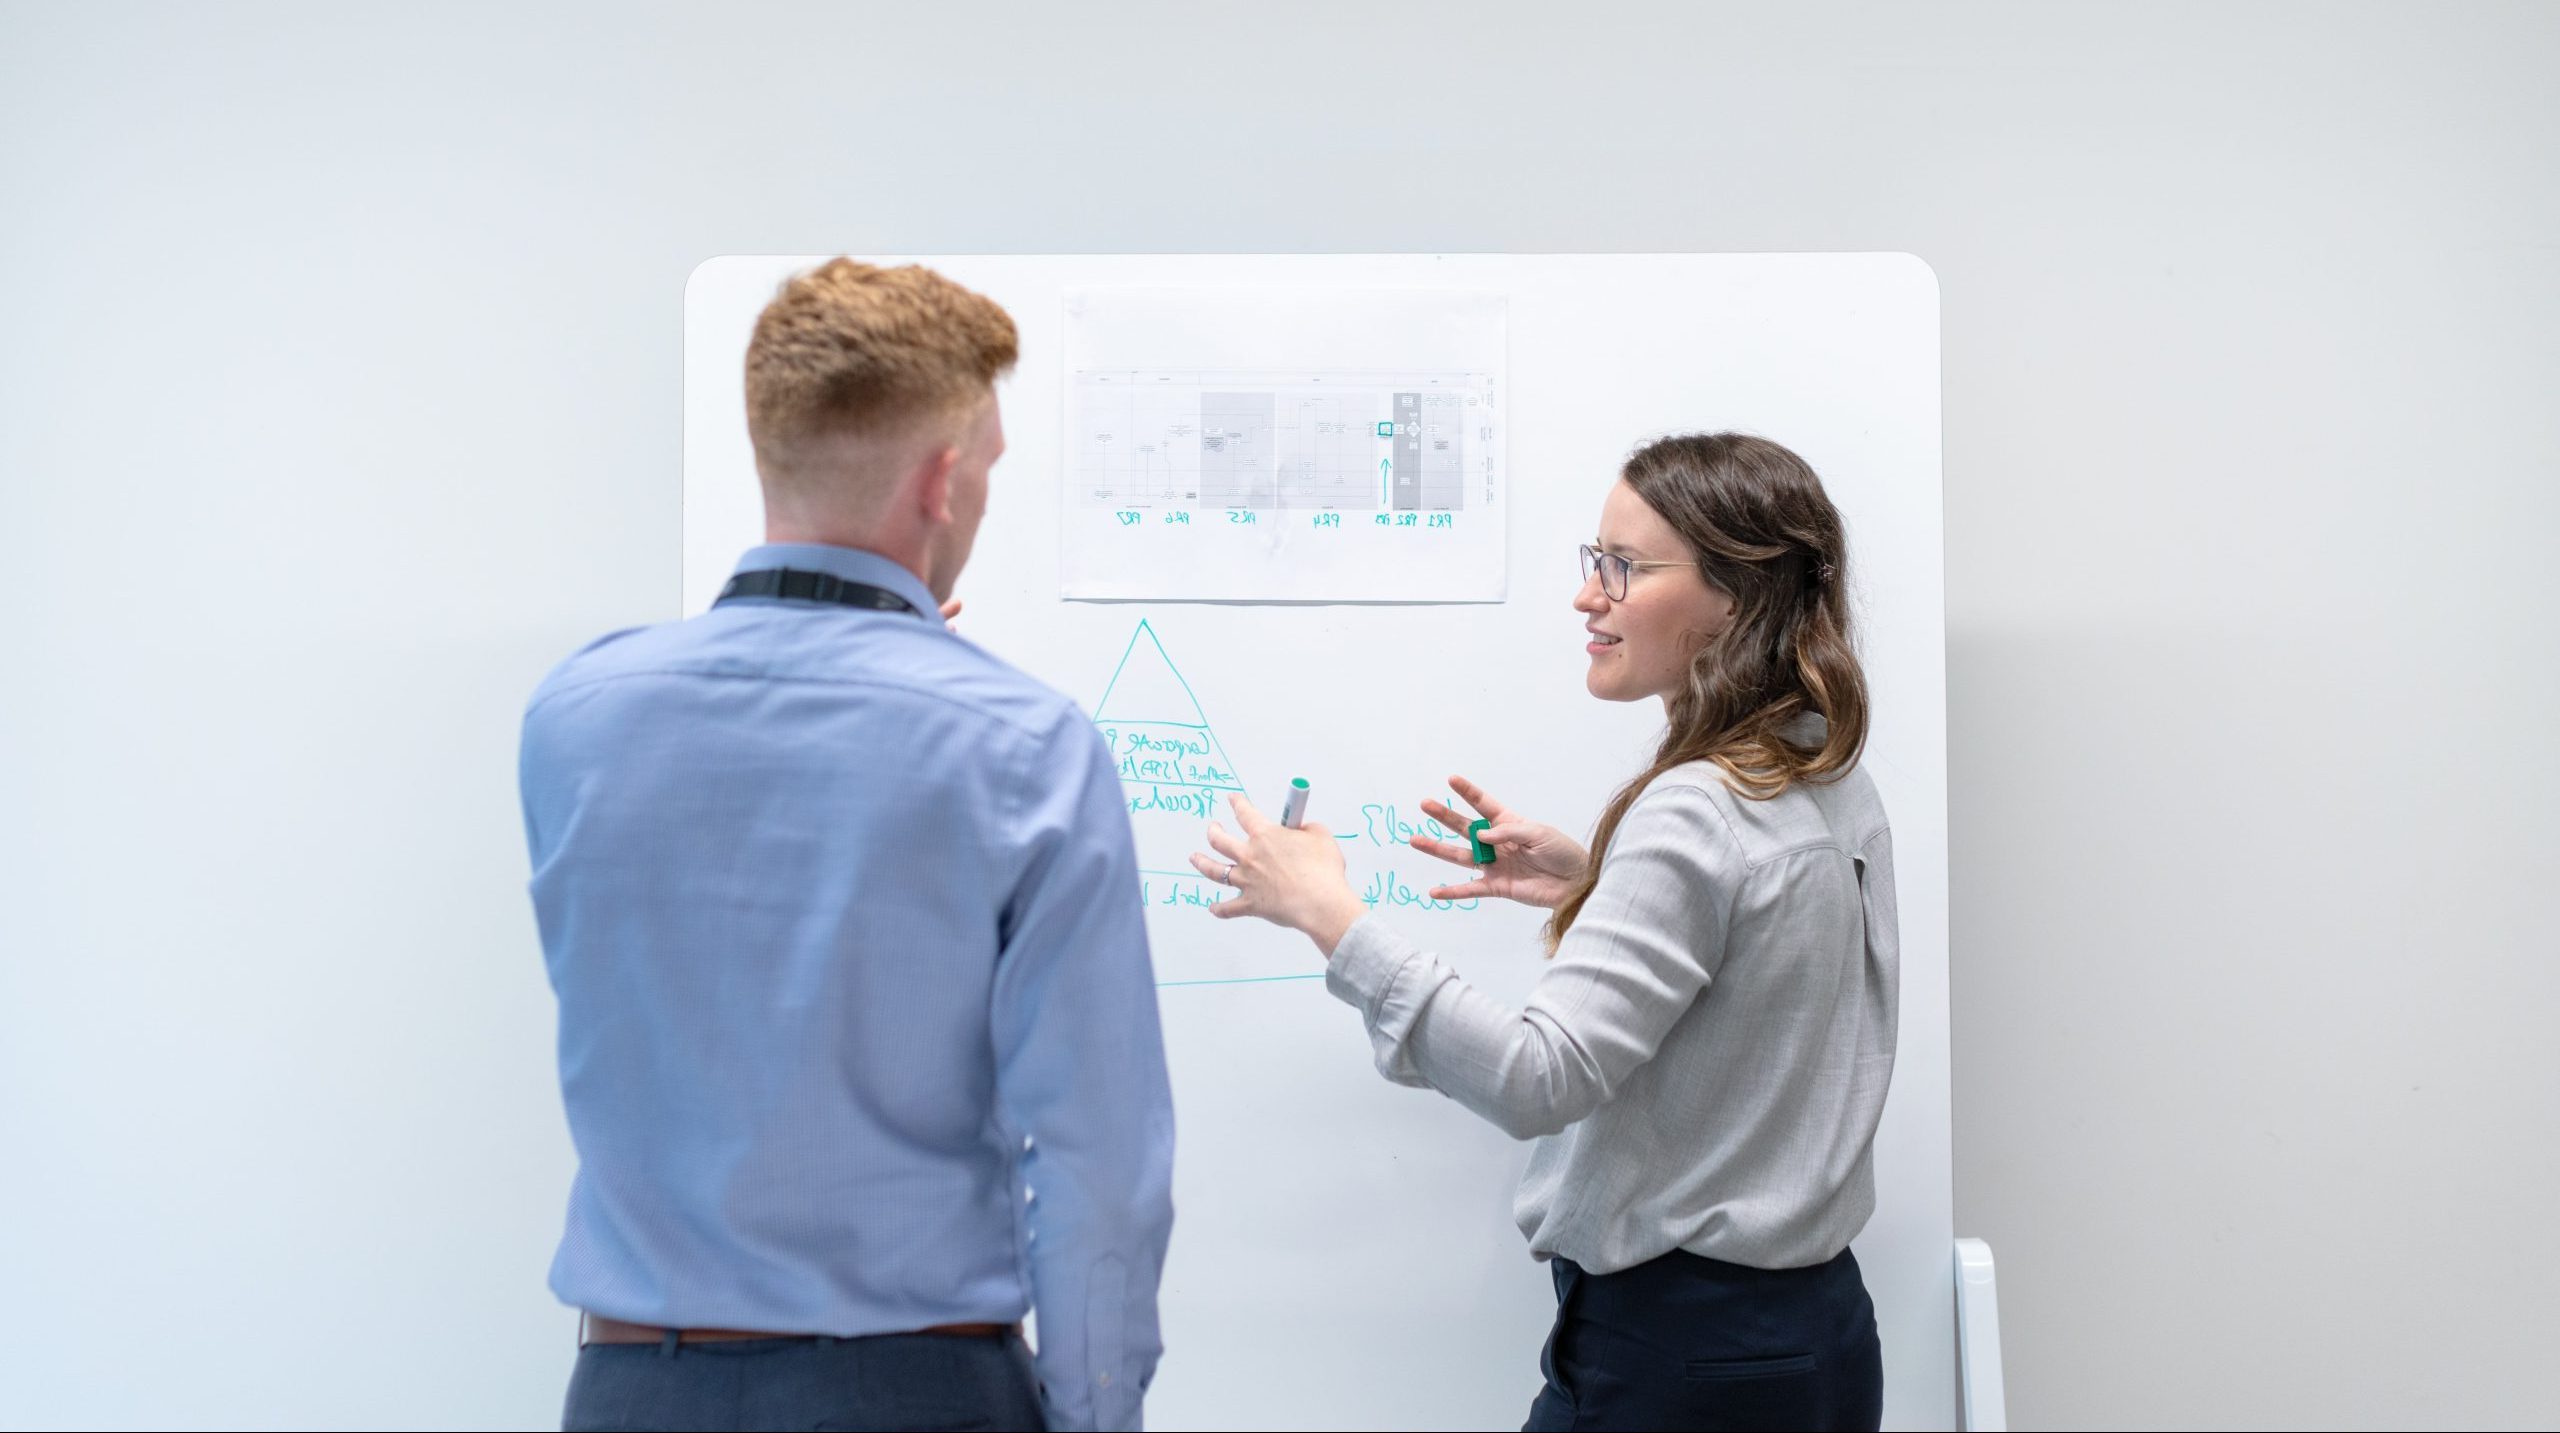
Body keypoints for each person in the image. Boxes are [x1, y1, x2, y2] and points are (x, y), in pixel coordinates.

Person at [519, 259, 1173, 1433]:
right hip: (911, 1392)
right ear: (941, 482)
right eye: (987, 472)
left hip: (629, 1392)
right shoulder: (1023, 749)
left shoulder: (575, 719)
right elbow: (1096, 1168)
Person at [1191, 433, 1895, 1432]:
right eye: (1592, 559)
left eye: (1626, 566)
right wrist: (1601, 881)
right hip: (1814, 1339)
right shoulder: (1819, 770)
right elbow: (1770, 966)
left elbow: (1537, 1077)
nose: (1588, 595)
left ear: (1735, 597)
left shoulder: (1694, 808)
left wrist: (1329, 916)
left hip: (1680, 1361)